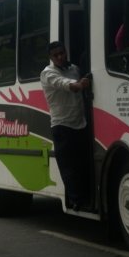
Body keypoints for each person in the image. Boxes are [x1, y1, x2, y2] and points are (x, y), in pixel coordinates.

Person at [40, 41, 91, 211]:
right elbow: (65, 84)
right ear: (51, 57)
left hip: (80, 124)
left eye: (62, 53)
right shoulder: (47, 73)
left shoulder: (74, 69)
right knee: (69, 168)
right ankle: (76, 200)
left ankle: (85, 195)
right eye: (56, 55)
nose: (60, 57)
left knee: (83, 164)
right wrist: (79, 85)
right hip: (62, 126)